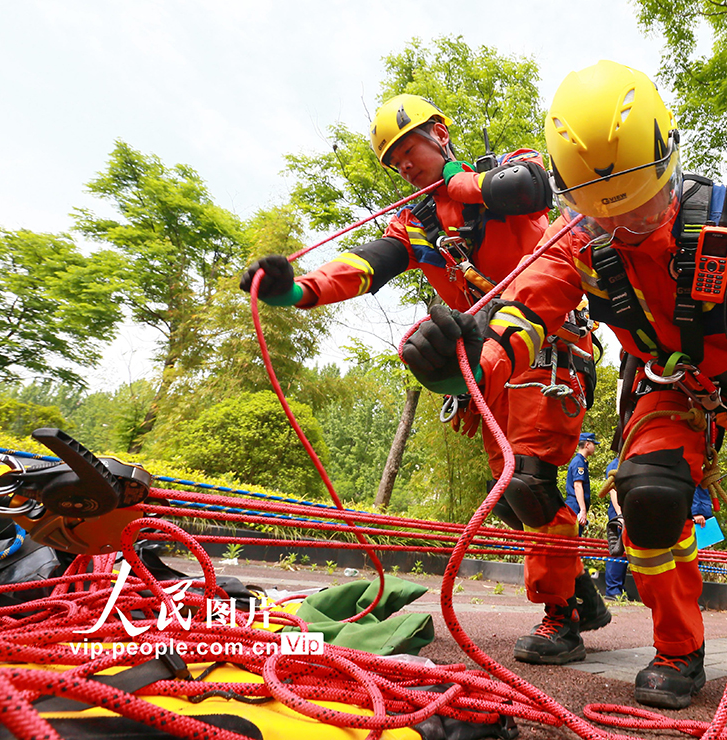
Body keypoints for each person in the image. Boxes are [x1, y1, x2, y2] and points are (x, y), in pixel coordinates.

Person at [400, 61, 727, 708]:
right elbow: (523, 317)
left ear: (670, 164)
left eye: (641, 205)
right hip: (665, 382)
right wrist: (470, 364)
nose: (626, 226)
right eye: (600, 213)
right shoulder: (577, 241)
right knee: (646, 494)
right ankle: (678, 649)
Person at [239, 93, 609, 666]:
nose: (403, 165)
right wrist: (299, 289)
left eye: (407, 149)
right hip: (489, 363)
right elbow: (367, 264)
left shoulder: (506, 172)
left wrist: (457, 184)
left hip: (548, 347)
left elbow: (535, 189)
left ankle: (562, 616)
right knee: (510, 496)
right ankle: (578, 592)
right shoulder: (417, 226)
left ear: (439, 133)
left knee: (527, 484)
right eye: (393, 161)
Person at [565, 432, 598, 535]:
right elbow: (578, 486)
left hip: (576, 504)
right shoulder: (579, 462)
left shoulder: (581, 461)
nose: (594, 447)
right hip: (575, 505)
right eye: (593, 444)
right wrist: (582, 510)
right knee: (573, 538)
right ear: (587, 444)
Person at [604, 456, 628, 598]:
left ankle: (618, 588)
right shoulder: (615, 465)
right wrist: (620, 515)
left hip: (627, 511)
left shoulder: (626, 463)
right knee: (617, 549)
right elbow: (613, 491)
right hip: (619, 513)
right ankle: (613, 589)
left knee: (624, 550)